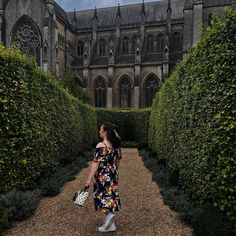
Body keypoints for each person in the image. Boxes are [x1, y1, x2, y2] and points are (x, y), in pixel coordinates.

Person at [85, 122, 122, 233]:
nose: (99, 131)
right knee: (109, 196)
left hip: (103, 176)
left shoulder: (101, 145)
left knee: (102, 198)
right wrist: (115, 174)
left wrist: (89, 179)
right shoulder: (115, 146)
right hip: (113, 174)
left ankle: (109, 216)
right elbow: (117, 162)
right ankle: (110, 225)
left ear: (105, 132)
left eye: (101, 129)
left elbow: (95, 163)